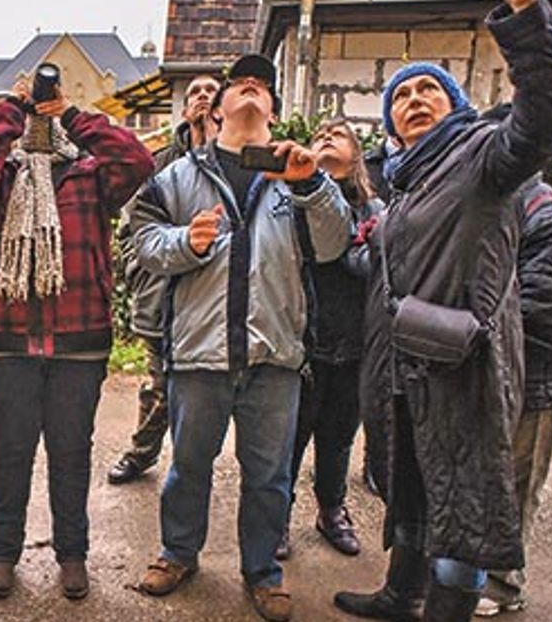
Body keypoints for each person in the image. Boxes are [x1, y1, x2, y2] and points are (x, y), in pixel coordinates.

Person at [333, 0, 552, 622]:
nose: (413, 101)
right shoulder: (403, 182)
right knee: (410, 490)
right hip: (402, 366)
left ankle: (443, 610)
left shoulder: (483, 157)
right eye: (401, 98)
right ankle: (397, 594)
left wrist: (526, 15)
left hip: (461, 366)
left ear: (457, 107)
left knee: (463, 505)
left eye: (429, 92)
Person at [130, 54, 352, 622]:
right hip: (200, 354)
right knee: (189, 467)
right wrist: (187, 242)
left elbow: (334, 245)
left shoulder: (298, 174)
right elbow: (143, 244)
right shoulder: (178, 177)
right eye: (240, 83)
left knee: (269, 478)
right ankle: (179, 553)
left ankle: (263, 573)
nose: (252, 87)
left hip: (274, 355)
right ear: (220, 105)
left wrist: (314, 185)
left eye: (263, 85)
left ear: (273, 110)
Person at [0, 76, 153, 601]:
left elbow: (136, 161)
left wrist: (75, 114)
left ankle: (72, 554)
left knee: (70, 452)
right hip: (7, 338)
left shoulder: (93, 175)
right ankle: (2, 552)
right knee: (10, 450)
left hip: (79, 340)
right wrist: (11, 107)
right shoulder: (3, 177)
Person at [476, 112, 552, 617]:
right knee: (487, 478)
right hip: (498, 371)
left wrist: (471, 328)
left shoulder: (551, 218)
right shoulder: (500, 207)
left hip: (535, 381)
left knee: (517, 486)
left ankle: (504, 586)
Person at [277, 119, 384, 561]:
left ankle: (331, 510)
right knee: (291, 438)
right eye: (319, 134)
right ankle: (277, 518)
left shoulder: (376, 207)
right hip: (304, 343)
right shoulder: (290, 199)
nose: (325, 138)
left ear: (357, 155)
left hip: (355, 343)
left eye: (337, 135)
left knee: (338, 438)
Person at [107, 73, 221, 485]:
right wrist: (139, 274)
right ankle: (142, 453)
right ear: (183, 108)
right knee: (161, 382)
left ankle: (192, 469)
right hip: (163, 298)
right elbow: (129, 233)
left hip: (216, 302)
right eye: (195, 92)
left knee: (207, 390)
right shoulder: (158, 165)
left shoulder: (240, 160)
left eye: (211, 91)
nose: (203, 97)